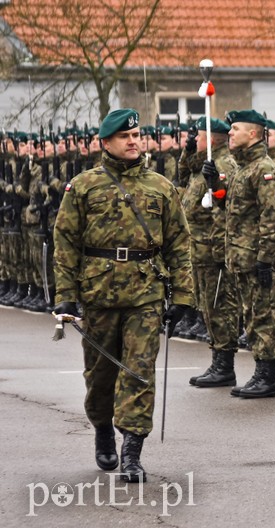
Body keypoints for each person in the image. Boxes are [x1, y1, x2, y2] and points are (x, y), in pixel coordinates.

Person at [52, 108, 194, 483]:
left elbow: (180, 244)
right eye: (125, 137)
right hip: (98, 292)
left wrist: (182, 294)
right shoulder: (82, 186)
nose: (134, 142)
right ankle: (102, 428)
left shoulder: (160, 187)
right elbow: (65, 243)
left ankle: (132, 450)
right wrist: (65, 296)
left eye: (137, 136)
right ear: (106, 142)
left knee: (140, 371)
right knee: (101, 375)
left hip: (146, 292)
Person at [210, 109, 275, 398]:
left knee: (264, 316)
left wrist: (266, 258)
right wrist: (215, 186)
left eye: (236, 129)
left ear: (253, 134)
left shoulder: (263, 169)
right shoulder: (243, 168)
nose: (230, 133)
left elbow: (272, 216)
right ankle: (260, 372)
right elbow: (232, 209)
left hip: (257, 258)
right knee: (252, 316)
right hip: (242, 258)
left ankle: (268, 377)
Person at [180, 116, 241, 388]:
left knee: (219, 305)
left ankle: (224, 364)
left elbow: (224, 208)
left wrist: (219, 248)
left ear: (213, 139)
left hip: (212, 246)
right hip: (199, 246)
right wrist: (189, 149)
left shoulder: (223, 164)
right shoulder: (203, 164)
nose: (196, 140)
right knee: (207, 304)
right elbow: (185, 171)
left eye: (200, 137)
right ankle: (217, 359)